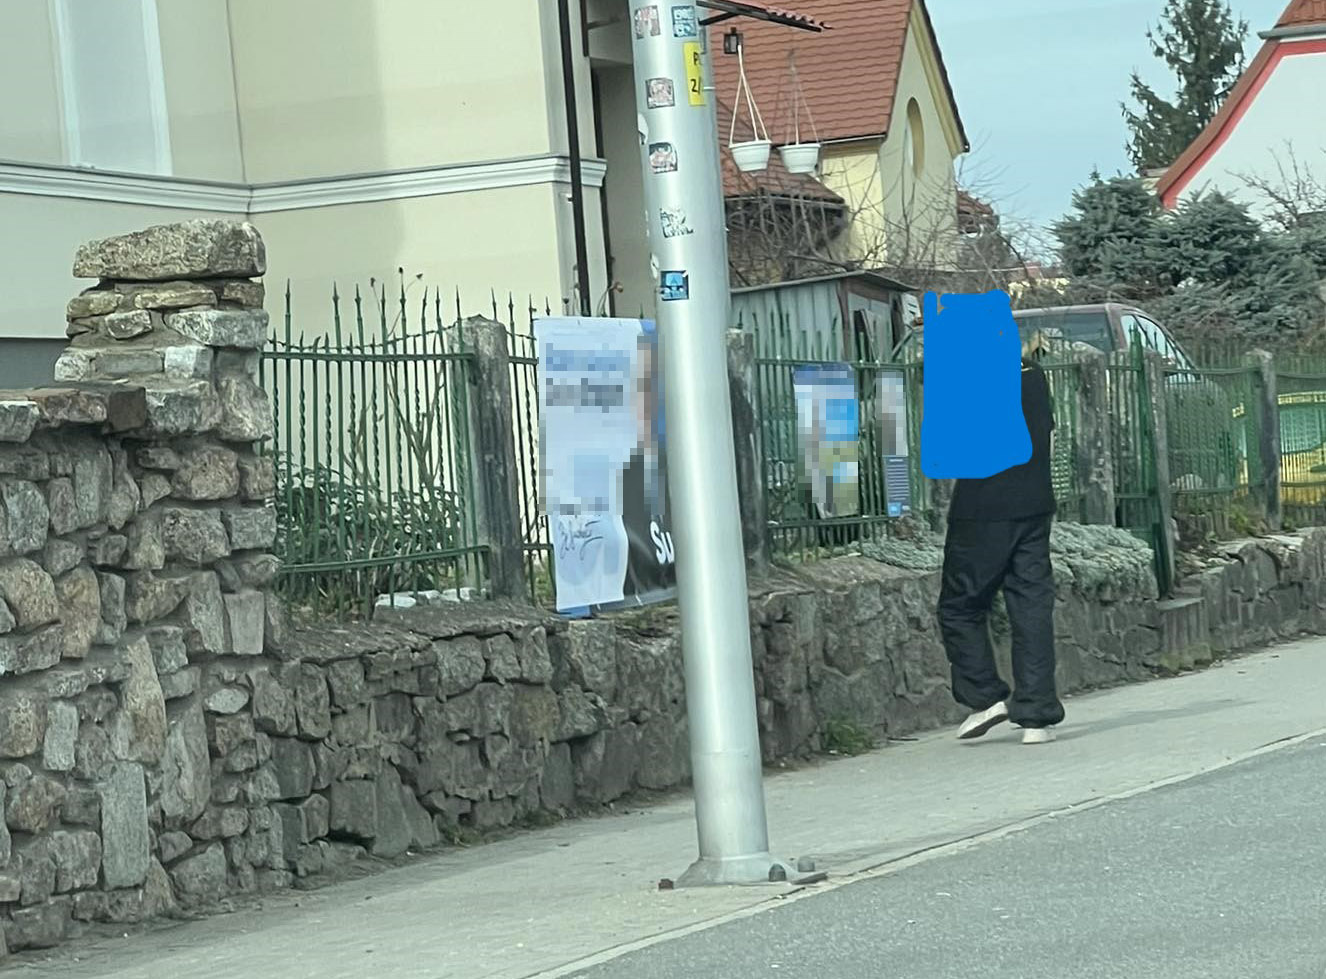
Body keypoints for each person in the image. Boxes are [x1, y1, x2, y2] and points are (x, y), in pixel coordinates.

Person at [936, 343, 1065, 745]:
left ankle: (985, 696)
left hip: (982, 510)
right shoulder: (1035, 375)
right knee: (1030, 605)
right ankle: (1036, 716)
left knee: (960, 606)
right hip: (1035, 504)